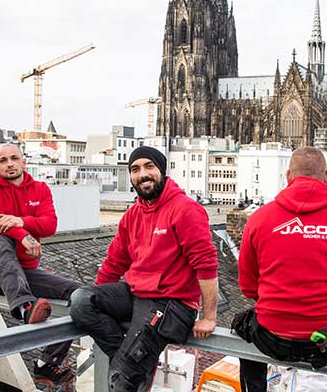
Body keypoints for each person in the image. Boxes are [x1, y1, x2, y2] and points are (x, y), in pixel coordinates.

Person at [69, 146, 219, 392]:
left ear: (161, 170)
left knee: (121, 379)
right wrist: (99, 298)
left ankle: (132, 362)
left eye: (149, 166)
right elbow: (113, 264)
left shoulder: (185, 209)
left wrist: (209, 317)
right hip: (137, 294)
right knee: (81, 301)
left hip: (172, 304)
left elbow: (206, 263)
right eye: (135, 169)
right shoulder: (132, 215)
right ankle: (133, 359)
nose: (142, 174)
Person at [233, 147, 327, 392]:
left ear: (288, 176)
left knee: (241, 331)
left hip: (273, 338)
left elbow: (248, 286)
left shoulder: (259, 218)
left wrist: (281, 308)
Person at [0, 143, 81, 385]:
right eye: (3, 161)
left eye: (14, 158)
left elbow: (49, 224)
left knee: (79, 295)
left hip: (23, 271)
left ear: (23, 161)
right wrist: (22, 232)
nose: (9, 164)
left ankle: (46, 364)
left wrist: (17, 220)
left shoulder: (39, 189)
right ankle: (23, 308)